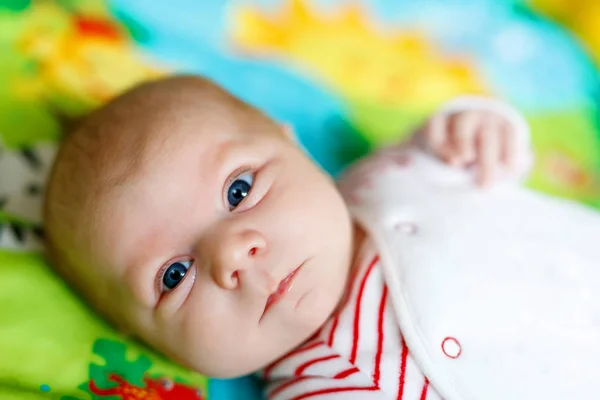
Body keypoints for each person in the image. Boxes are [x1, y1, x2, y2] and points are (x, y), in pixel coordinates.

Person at [43, 76, 600, 400]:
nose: (232, 253)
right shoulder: (319, 386)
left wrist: (479, 127)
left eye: (239, 190)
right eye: (173, 275)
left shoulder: (386, 176)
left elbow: (485, 156)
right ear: (147, 341)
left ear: (290, 143)